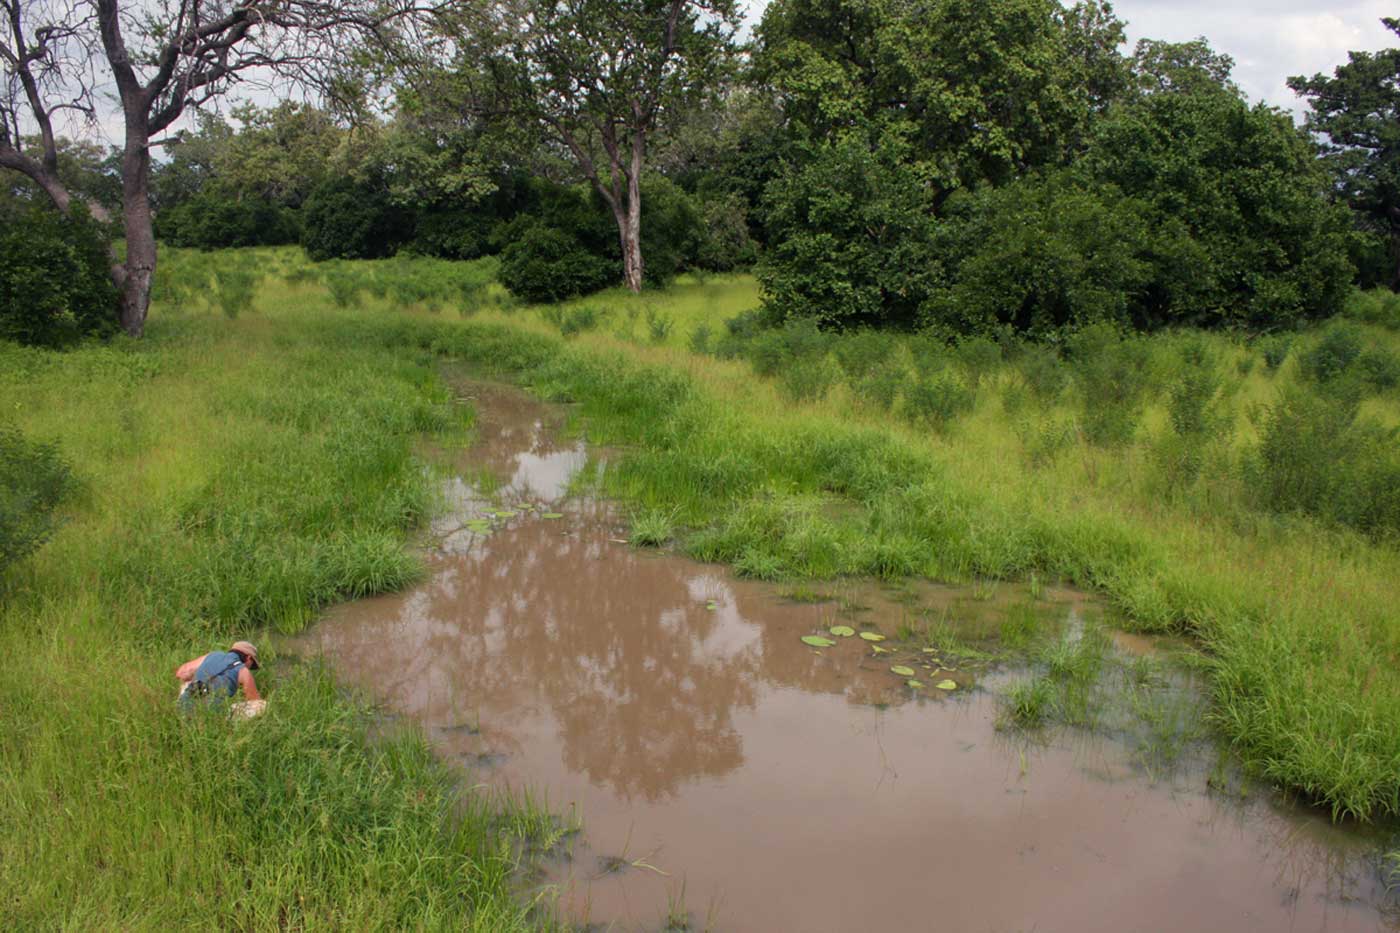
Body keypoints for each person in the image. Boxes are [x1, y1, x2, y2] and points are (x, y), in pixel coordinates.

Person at [176, 640, 261, 707]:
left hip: (182, 707)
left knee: (187, 684)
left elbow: (181, 673)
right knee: (261, 705)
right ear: (249, 658)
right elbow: (254, 701)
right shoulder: (243, 671)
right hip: (210, 714)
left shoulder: (212, 655)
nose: (250, 668)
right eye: (252, 665)